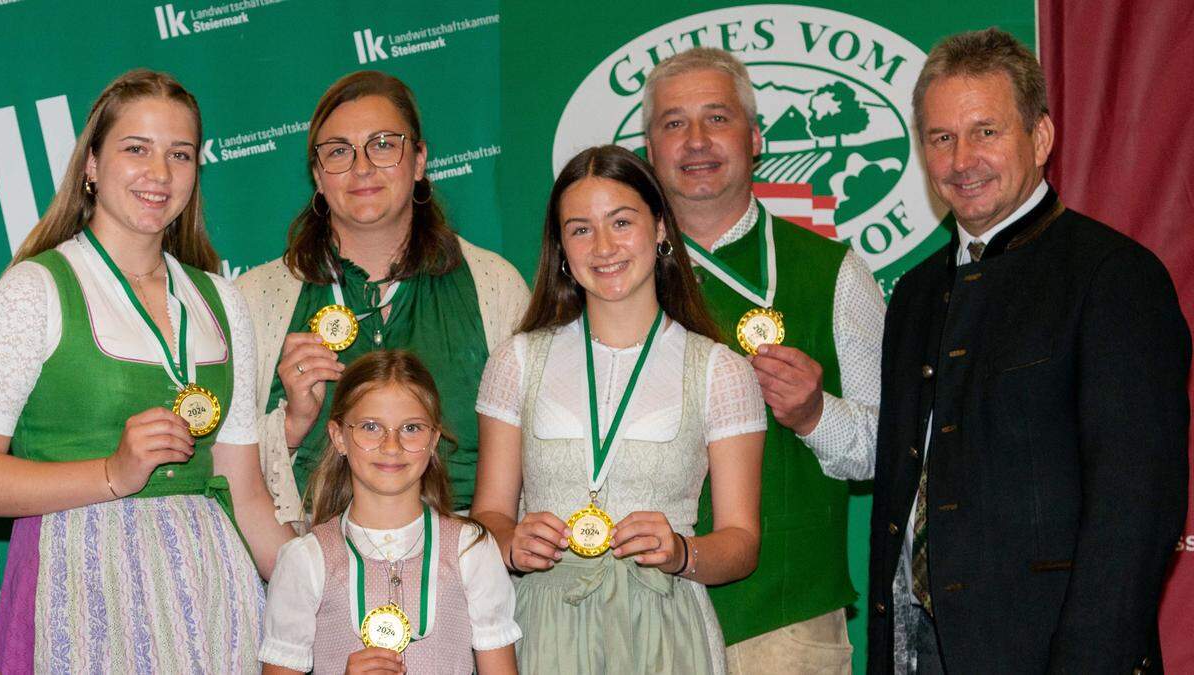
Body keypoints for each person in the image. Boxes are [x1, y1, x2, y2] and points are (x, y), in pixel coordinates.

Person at [868, 28, 1190, 673]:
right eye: (941, 137)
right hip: (914, 647)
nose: (962, 159)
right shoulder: (913, 293)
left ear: (1040, 138)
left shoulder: (1114, 277)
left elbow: (1136, 507)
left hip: (1050, 653)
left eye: (986, 131)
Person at [0, 69, 294, 672]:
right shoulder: (33, 291)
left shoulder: (220, 300)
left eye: (179, 154)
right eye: (137, 149)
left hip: (214, 594)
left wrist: (330, 592)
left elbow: (246, 491)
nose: (159, 174)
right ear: (92, 165)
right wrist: (112, 473)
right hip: (79, 584)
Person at [471, 144, 766, 674]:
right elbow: (488, 514)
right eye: (580, 229)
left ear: (659, 228)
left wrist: (681, 552)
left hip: (665, 631)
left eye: (621, 222)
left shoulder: (719, 371)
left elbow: (741, 542)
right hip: (541, 626)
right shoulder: (516, 360)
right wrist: (511, 541)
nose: (603, 247)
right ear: (560, 246)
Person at [642, 47, 886, 672]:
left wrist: (812, 414)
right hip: (638, 613)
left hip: (783, 620)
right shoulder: (610, 273)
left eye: (716, 118)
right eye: (673, 123)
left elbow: (886, 448)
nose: (695, 141)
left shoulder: (834, 272)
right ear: (649, 150)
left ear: (755, 138)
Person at [237, 71, 528, 527]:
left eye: (383, 144)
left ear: (419, 161)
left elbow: (538, 457)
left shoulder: (496, 286)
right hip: (310, 563)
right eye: (338, 152)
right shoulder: (255, 300)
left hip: (466, 565)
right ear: (317, 175)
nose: (362, 167)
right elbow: (222, 476)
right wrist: (292, 423)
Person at [259, 350, 520, 674]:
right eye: (371, 427)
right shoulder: (306, 560)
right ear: (339, 437)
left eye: (411, 428)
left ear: (433, 438)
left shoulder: (471, 549)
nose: (392, 445)